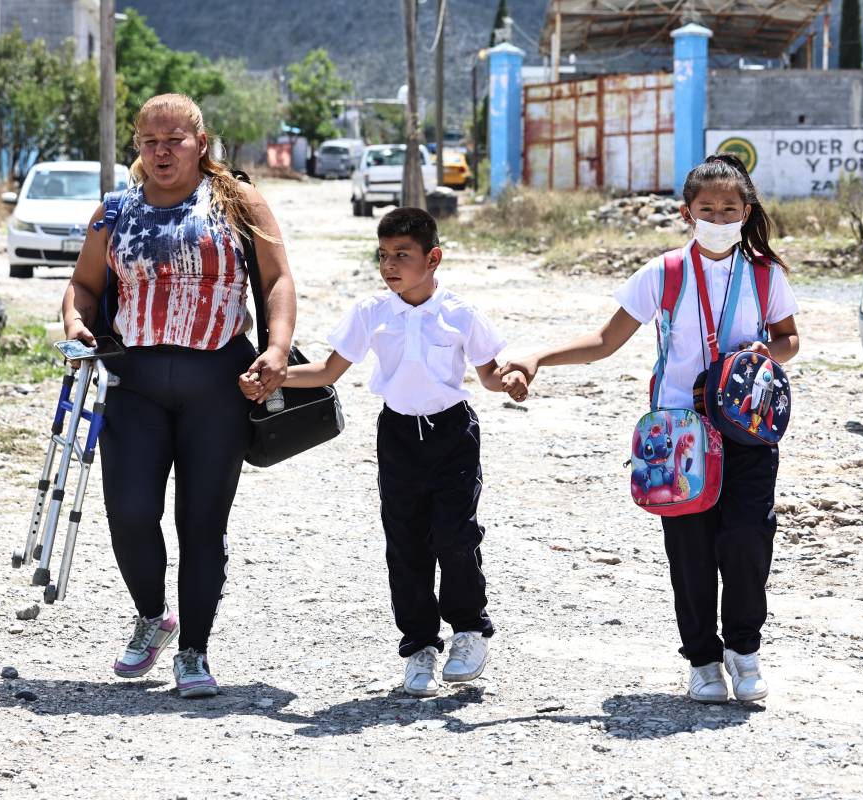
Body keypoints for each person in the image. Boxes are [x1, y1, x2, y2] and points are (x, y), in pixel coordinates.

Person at [501, 154, 800, 704]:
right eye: (706, 208)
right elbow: (604, 342)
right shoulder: (663, 274)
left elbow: (789, 339)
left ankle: (745, 649)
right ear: (688, 213)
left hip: (747, 430)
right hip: (678, 435)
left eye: (729, 208)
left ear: (746, 211)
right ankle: (703, 661)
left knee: (747, 537)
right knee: (688, 549)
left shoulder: (765, 273)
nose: (718, 216)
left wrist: (768, 351)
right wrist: (538, 355)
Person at [61, 93, 296, 698]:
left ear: (201, 142)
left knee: (201, 523)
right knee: (132, 512)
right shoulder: (113, 211)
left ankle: (193, 650)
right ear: (136, 146)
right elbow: (83, 286)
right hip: (135, 385)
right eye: (149, 142)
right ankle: (151, 617)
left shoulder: (237, 201)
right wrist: (75, 323)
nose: (162, 152)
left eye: (175, 141)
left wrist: (276, 348)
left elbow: (277, 281)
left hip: (219, 383)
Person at [240, 207, 527, 697]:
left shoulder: (460, 314)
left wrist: (514, 379)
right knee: (405, 543)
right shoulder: (372, 312)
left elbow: (488, 375)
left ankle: (469, 632)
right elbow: (329, 372)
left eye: (402, 256)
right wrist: (276, 374)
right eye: (383, 256)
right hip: (397, 436)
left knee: (455, 536)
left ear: (432, 258)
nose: (390, 266)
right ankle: (419, 647)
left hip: (452, 434)